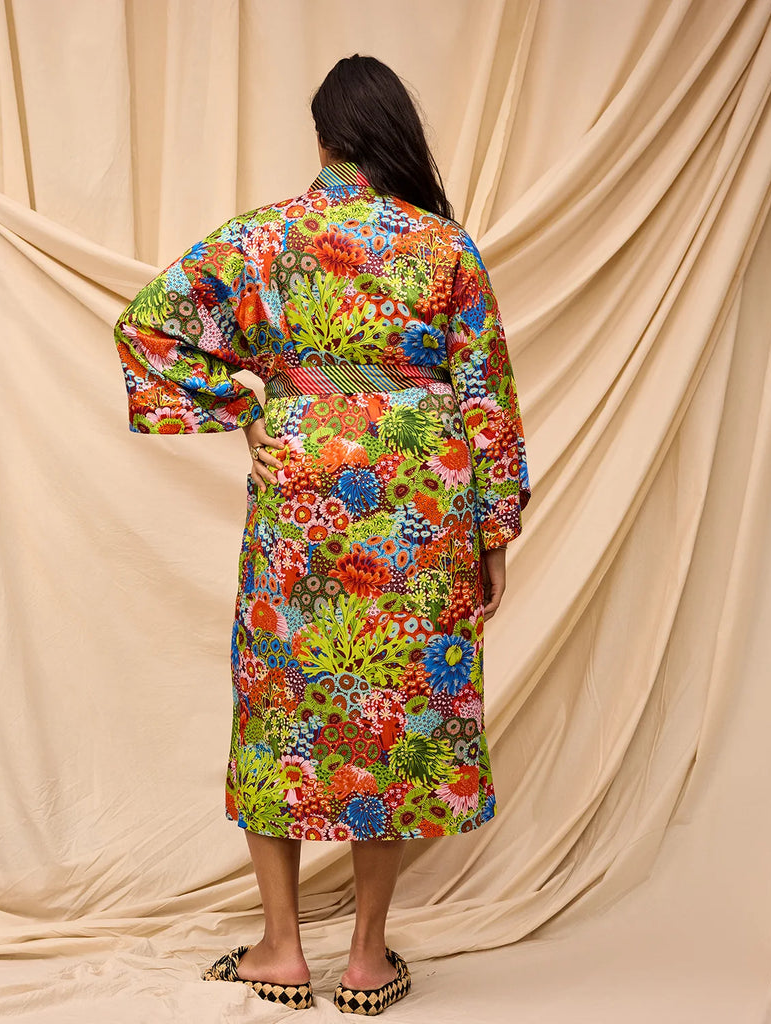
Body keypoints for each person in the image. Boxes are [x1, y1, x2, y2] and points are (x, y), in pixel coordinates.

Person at [113, 54, 531, 1016]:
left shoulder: (263, 237)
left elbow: (149, 327)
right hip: (423, 500)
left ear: (323, 138)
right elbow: (487, 398)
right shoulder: (444, 247)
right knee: (393, 710)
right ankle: (368, 959)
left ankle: (282, 949)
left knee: (281, 703)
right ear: (394, 135)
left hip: (303, 487)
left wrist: (241, 405)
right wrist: (493, 535)